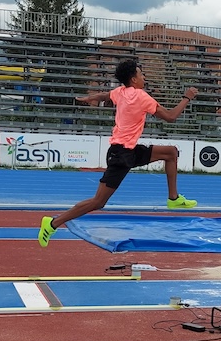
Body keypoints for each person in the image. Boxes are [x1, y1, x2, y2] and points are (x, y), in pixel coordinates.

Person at [38, 58, 199, 247]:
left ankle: (174, 199)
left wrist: (92, 98)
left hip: (128, 150)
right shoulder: (141, 97)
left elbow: (105, 95)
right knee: (98, 202)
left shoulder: (120, 92)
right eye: (141, 74)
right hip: (121, 155)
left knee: (171, 153)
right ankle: (53, 223)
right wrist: (187, 97)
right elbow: (171, 117)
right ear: (133, 80)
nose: (144, 77)